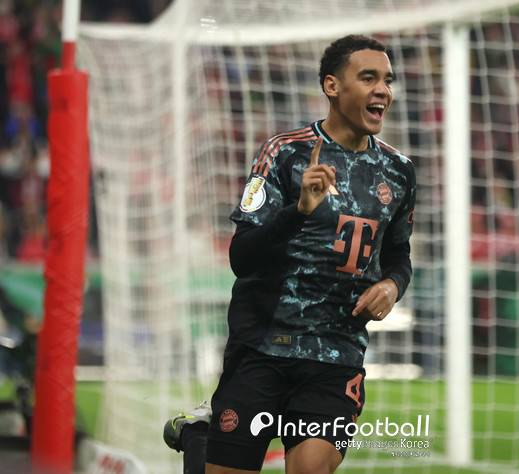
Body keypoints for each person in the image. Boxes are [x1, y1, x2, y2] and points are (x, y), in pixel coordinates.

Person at [163, 34, 416, 474]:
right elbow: (242, 257)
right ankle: (199, 437)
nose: (382, 91)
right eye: (368, 78)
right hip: (263, 345)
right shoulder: (284, 153)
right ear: (332, 86)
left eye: (387, 81)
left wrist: (392, 286)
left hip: (336, 353)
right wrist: (297, 212)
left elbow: (399, 255)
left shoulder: (399, 171)